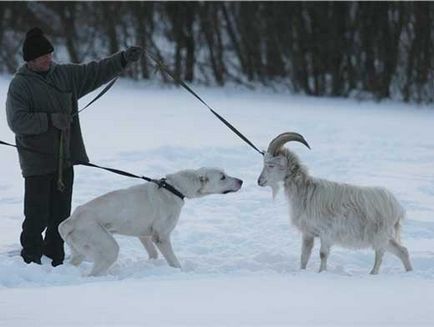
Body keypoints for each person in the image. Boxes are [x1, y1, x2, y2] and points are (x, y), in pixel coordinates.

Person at [6, 27, 142, 266]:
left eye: (50, 54)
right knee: (37, 215)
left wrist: (122, 59)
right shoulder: (20, 85)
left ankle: (54, 258)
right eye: (43, 57)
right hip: (36, 160)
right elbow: (16, 121)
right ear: (30, 60)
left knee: (61, 216)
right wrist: (49, 119)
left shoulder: (65, 75)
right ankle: (30, 260)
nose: (49, 59)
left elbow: (95, 71)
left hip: (64, 159)